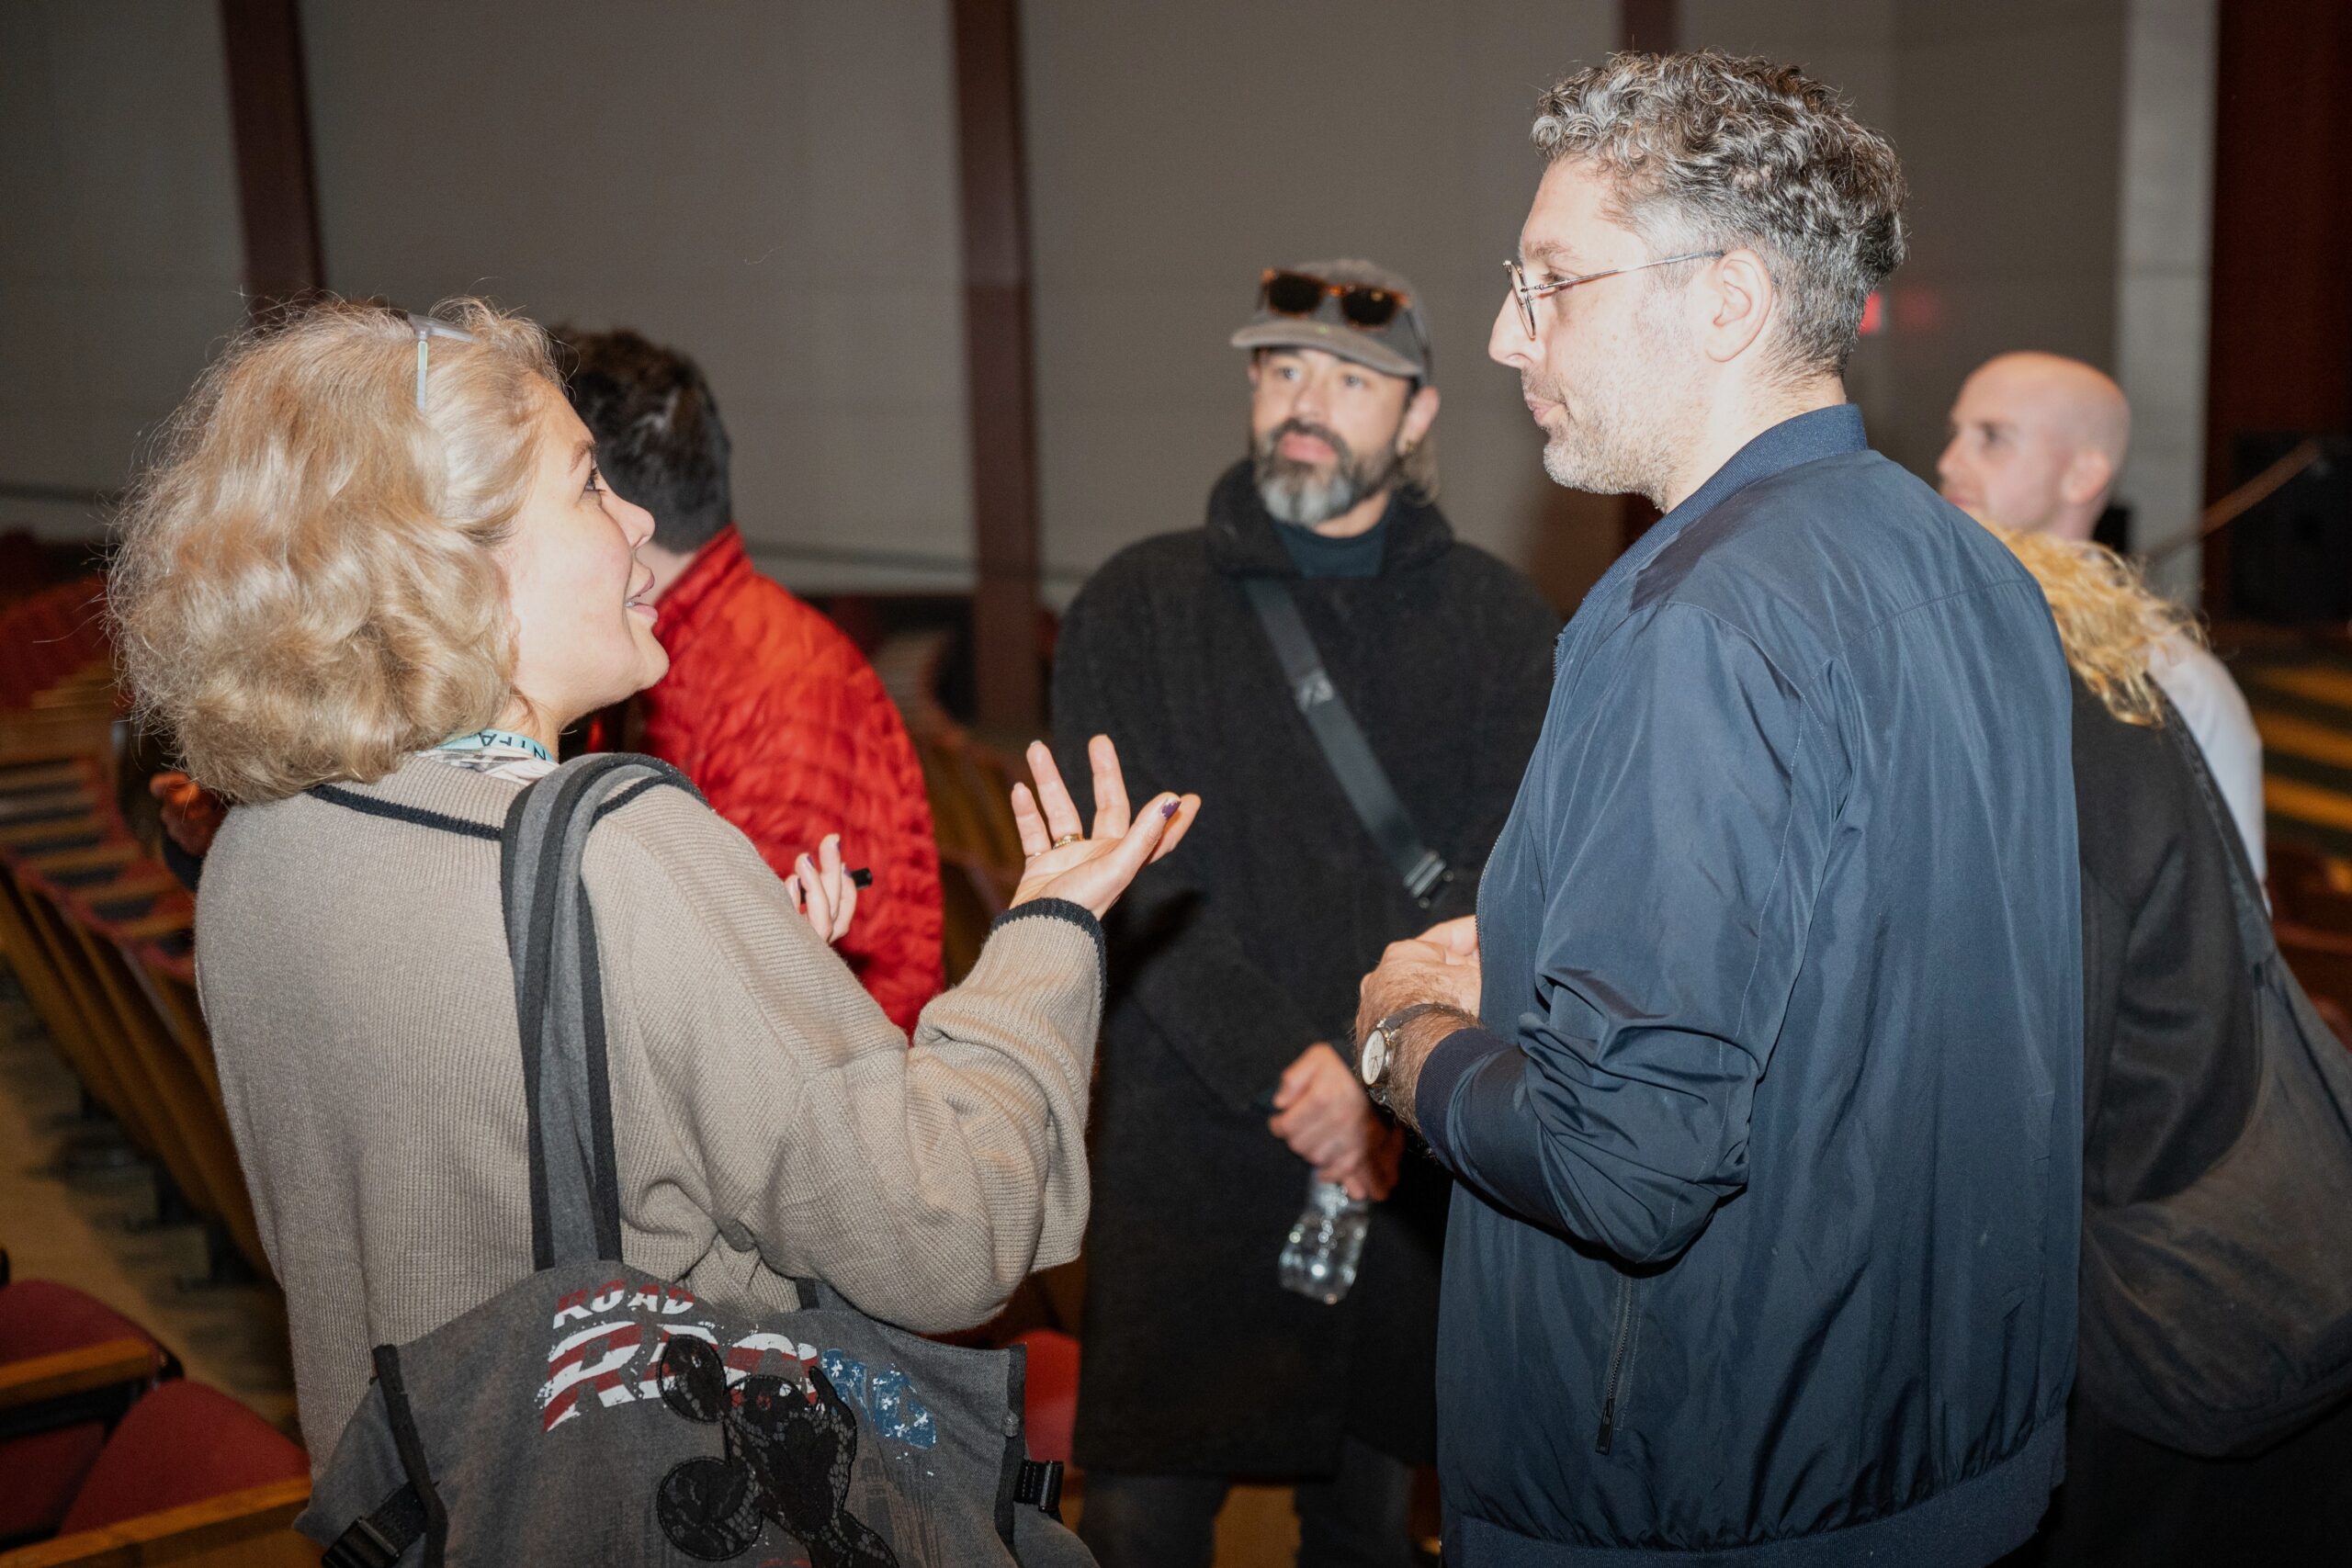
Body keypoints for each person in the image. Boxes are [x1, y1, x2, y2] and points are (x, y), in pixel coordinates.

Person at [105, 297, 1200, 1456]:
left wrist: (737, 973)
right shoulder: (624, 859)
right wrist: (1048, 928)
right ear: (457, 569)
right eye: (588, 486)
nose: (637, 518)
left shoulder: (258, 847)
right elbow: (943, 1234)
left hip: (409, 1502)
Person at [1353, 52, 2083, 1564]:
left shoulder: (1692, 617)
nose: (1506, 334)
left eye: (1552, 281)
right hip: (1947, 1457)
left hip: (1700, 1493)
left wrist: (1407, 1038)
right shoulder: (1978, 574)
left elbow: (1624, 1164)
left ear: (1728, 302)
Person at [1052, 260, 1557, 1567]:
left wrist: (1372, 1070)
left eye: (1349, 379)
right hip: (1190, 1144)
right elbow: (1133, 879)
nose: (1305, 403)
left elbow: (1504, 870)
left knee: (1370, 1524)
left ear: (1420, 413)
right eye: (1281, 370)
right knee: (1137, 1525)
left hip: (1398, 1147)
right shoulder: (1137, 603)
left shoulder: (1499, 622)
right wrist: (1299, 1069)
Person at [560, 327, 944, 1032]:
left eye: (580, 481)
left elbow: (765, 1001)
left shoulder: (785, 690)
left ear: (623, 503)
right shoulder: (658, 650)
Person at [1939, 351, 2265, 877]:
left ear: (2082, 475)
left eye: (1992, 437)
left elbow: (2231, 906)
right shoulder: (1925, 629)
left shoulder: (2173, 680)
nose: (1949, 463)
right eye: (1955, 434)